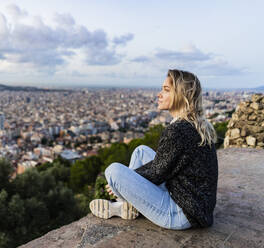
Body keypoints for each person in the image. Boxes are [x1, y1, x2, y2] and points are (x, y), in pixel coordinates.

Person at [89, 69, 218, 230]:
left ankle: (122, 204)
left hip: (181, 214)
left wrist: (122, 182)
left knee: (113, 171)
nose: (159, 94)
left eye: (166, 90)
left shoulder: (178, 130)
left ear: (181, 95)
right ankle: (126, 204)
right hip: (197, 206)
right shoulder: (196, 124)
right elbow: (162, 167)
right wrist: (130, 180)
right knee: (141, 151)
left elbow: (157, 173)